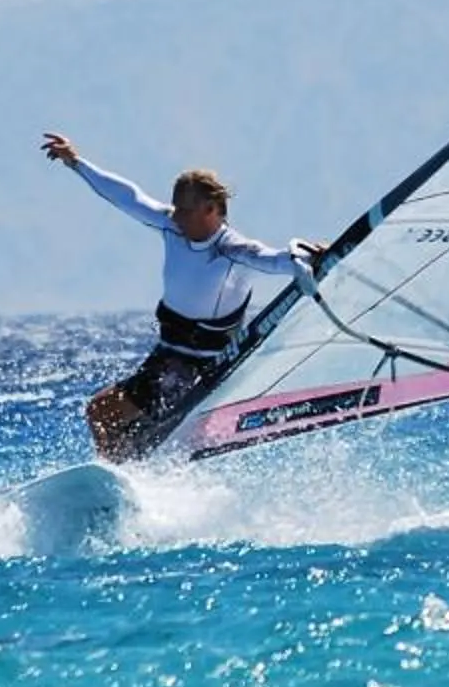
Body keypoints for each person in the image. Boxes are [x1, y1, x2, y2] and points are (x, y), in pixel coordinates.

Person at [40, 133, 323, 462]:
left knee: (102, 411)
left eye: (185, 210)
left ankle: (118, 478)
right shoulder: (171, 226)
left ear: (212, 209)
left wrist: (302, 260)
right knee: (110, 421)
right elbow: (126, 197)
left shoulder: (231, 249)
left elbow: (272, 259)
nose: (176, 217)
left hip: (198, 369)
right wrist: (76, 162)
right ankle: (125, 477)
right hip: (165, 360)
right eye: (175, 208)